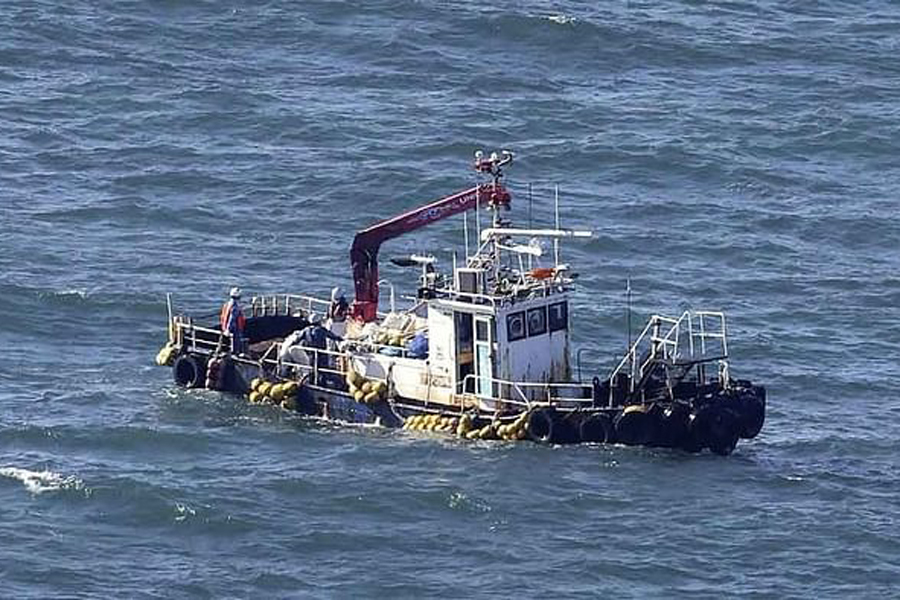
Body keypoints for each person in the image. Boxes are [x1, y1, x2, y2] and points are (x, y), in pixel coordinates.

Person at [298, 316, 343, 381]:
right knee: (323, 369)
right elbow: (332, 336)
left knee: (312, 368)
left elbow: (298, 339)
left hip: (310, 353)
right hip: (321, 353)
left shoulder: (306, 330)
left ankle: (312, 381)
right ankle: (322, 382)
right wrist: (341, 339)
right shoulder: (320, 329)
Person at [220, 287, 246, 354]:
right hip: (235, 328)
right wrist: (228, 329)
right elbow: (232, 319)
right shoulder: (235, 306)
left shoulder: (228, 304)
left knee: (232, 341)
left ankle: (233, 351)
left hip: (225, 326)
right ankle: (235, 352)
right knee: (236, 341)